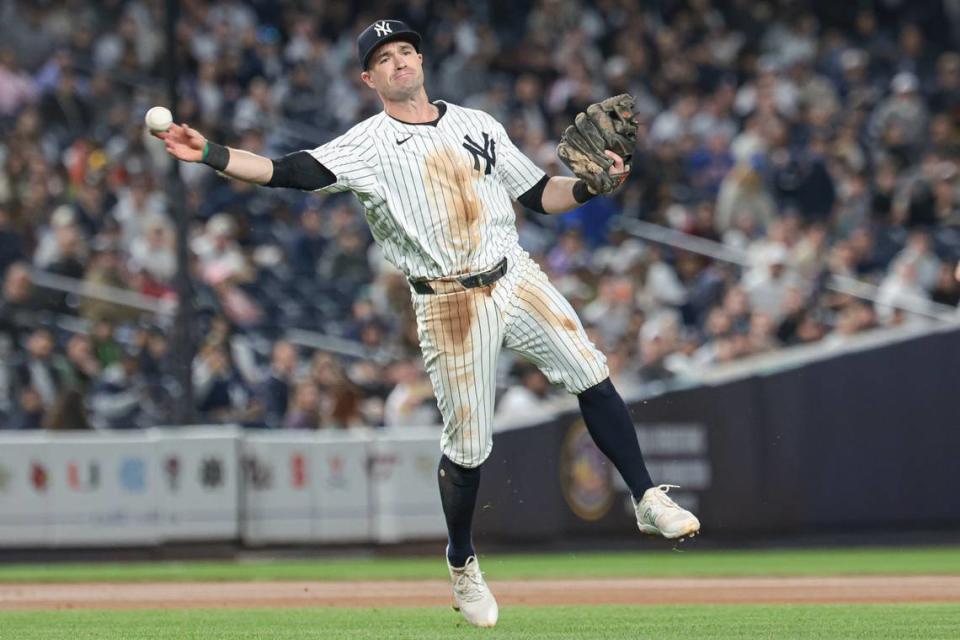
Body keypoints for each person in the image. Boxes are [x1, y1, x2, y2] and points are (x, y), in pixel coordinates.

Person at [155, 18, 699, 628]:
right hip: (447, 301)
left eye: (407, 49)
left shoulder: (478, 123)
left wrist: (594, 188)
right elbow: (289, 170)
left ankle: (647, 496)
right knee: (469, 447)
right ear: (369, 78)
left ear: (422, 60)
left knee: (591, 374)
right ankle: (463, 564)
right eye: (384, 58)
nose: (399, 61)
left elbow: (540, 193)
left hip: (512, 271)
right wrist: (209, 153)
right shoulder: (367, 142)